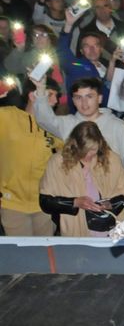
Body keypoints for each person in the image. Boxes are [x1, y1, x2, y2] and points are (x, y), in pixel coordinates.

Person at [38, 121, 124, 237]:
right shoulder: (57, 162)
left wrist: (109, 204)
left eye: (93, 150)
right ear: (75, 144)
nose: (89, 155)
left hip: (112, 232)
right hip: (76, 233)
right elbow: (45, 202)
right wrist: (75, 202)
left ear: (100, 143)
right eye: (85, 150)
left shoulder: (113, 159)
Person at [0, 79, 62, 236]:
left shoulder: (55, 125)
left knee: (45, 255)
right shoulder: (7, 116)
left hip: (45, 204)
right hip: (12, 203)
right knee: (21, 256)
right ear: (33, 95)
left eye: (57, 96)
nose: (56, 101)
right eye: (50, 95)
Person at [32, 76, 124, 158]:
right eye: (79, 98)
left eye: (89, 96)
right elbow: (44, 120)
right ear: (73, 101)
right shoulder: (68, 123)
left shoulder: (118, 126)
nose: (84, 103)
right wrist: (41, 90)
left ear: (100, 98)